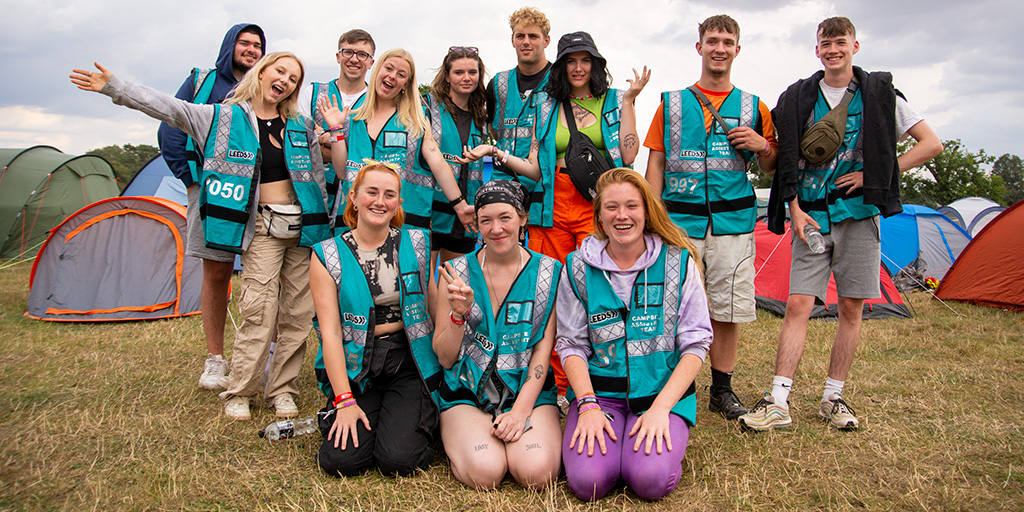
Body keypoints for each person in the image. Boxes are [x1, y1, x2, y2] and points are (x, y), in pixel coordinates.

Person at [73, 52, 332, 421]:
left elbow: (318, 180)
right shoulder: (220, 117)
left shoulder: (301, 126)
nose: (286, 81)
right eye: (281, 71)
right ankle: (241, 389)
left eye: (294, 78)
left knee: (297, 314)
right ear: (262, 72)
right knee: (259, 309)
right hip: (261, 228)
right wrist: (117, 88)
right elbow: (169, 108)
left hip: (301, 228)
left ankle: (283, 390)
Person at [739, 17, 943, 431]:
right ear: (816, 50)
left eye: (840, 42)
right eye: (825, 43)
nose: (833, 49)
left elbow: (932, 143)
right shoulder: (797, 98)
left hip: (859, 216)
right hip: (810, 214)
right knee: (798, 304)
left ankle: (834, 397)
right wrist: (793, 207)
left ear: (855, 46)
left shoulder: (881, 95)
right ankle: (778, 400)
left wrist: (878, 175)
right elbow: (783, 160)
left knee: (851, 307)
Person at [464, 31, 649, 402]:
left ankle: (604, 375)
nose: (578, 68)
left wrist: (629, 101)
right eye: (570, 60)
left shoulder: (612, 100)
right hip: (551, 205)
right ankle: (561, 386)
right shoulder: (545, 104)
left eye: (585, 60)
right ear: (561, 66)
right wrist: (496, 153)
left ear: (595, 64)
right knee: (553, 292)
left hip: (597, 204)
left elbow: (628, 157)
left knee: (598, 290)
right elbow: (534, 168)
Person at [644, 14, 778, 421]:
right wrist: (654, 219)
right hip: (679, 225)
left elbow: (773, 166)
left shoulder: (756, 106)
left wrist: (762, 145)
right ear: (699, 47)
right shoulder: (671, 103)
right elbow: (656, 165)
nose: (719, 48)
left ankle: (722, 389)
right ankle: (670, 386)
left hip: (733, 224)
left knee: (726, 309)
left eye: (728, 41)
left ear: (737, 49)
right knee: (670, 307)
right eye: (712, 40)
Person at [555, 168, 713, 501]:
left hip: (659, 398)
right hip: (601, 398)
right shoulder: (576, 267)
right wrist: (587, 406)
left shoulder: (678, 264)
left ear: (647, 211)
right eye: (611, 207)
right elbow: (571, 345)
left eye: (632, 206)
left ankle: (651, 446)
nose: (622, 215)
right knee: (588, 483)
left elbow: (696, 344)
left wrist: (661, 410)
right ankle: (615, 443)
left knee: (650, 480)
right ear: (599, 216)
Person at [309, 164, 441, 477]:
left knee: (397, 462)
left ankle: (411, 417)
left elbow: (435, 312)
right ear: (353, 197)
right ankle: (356, 411)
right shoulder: (326, 255)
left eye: (389, 194)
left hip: (408, 361)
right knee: (341, 463)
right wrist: (344, 400)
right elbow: (330, 335)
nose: (379, 201)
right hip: (359, 365)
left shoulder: (419, 243)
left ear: (398, 203)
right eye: (371, 192)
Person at [156, 23, 266, 391]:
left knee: (262, 274)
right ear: (229, 45)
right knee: (217, 272)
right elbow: (171, 128)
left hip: (254, 193)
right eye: (244, 43)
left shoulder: (263, 87)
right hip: (209, 190)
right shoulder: (203, 83)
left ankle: (257, 356)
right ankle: (215, 358)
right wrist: (191, 179)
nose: (251, 50)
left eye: (257, 45)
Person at [433, 180, 562, 490]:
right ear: (476, 224)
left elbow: (543, 352)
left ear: (523, 218)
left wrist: (519, 413)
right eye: (485, 220)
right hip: (468, 392)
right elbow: (445, 356)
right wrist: (458, 315)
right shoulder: (455, 272)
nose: (496, 228)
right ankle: (474, 437)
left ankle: (511, 435)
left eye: (505, 217)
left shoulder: (550, 271)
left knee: (537, 472)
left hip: (527, 391)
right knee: (485, 471)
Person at [319, 48, 474, 237]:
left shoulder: (414, 119)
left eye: (401, 75)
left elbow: (437, 161)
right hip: (356, 222)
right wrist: (335, 129)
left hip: (403, 225)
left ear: (406, 84)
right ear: (377, 70)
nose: (393, 76)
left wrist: (460, 205)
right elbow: (343, 171)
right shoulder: (353, 116)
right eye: (389, 69)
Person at [301, 29, 376, 227]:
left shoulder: (376, 102)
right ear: (338, 56)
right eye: (348, 52)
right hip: (313, 192)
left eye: (362, 54)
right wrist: (333, 141)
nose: (354, 59)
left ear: (371, 62)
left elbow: (365, 155)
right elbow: (299, 145)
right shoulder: (313, 92)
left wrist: (322, 135)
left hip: (353, 199)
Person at [424, 47, 488, 268]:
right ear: (447, 76)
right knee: (425, 282)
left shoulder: (481, 117)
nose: (467, 78)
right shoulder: (427, 106)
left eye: (473, 72)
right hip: (430, 211)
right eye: (459, 72)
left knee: (455, 283)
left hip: (465, 218)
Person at [485, 7, 552, 183]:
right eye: (520, 36)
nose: (526, 42)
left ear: (546, 41)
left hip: (545, 182)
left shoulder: (559, 81)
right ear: (513, 41)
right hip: (503, 179)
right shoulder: (497, 83)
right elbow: (493, 128)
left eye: (533, 36)